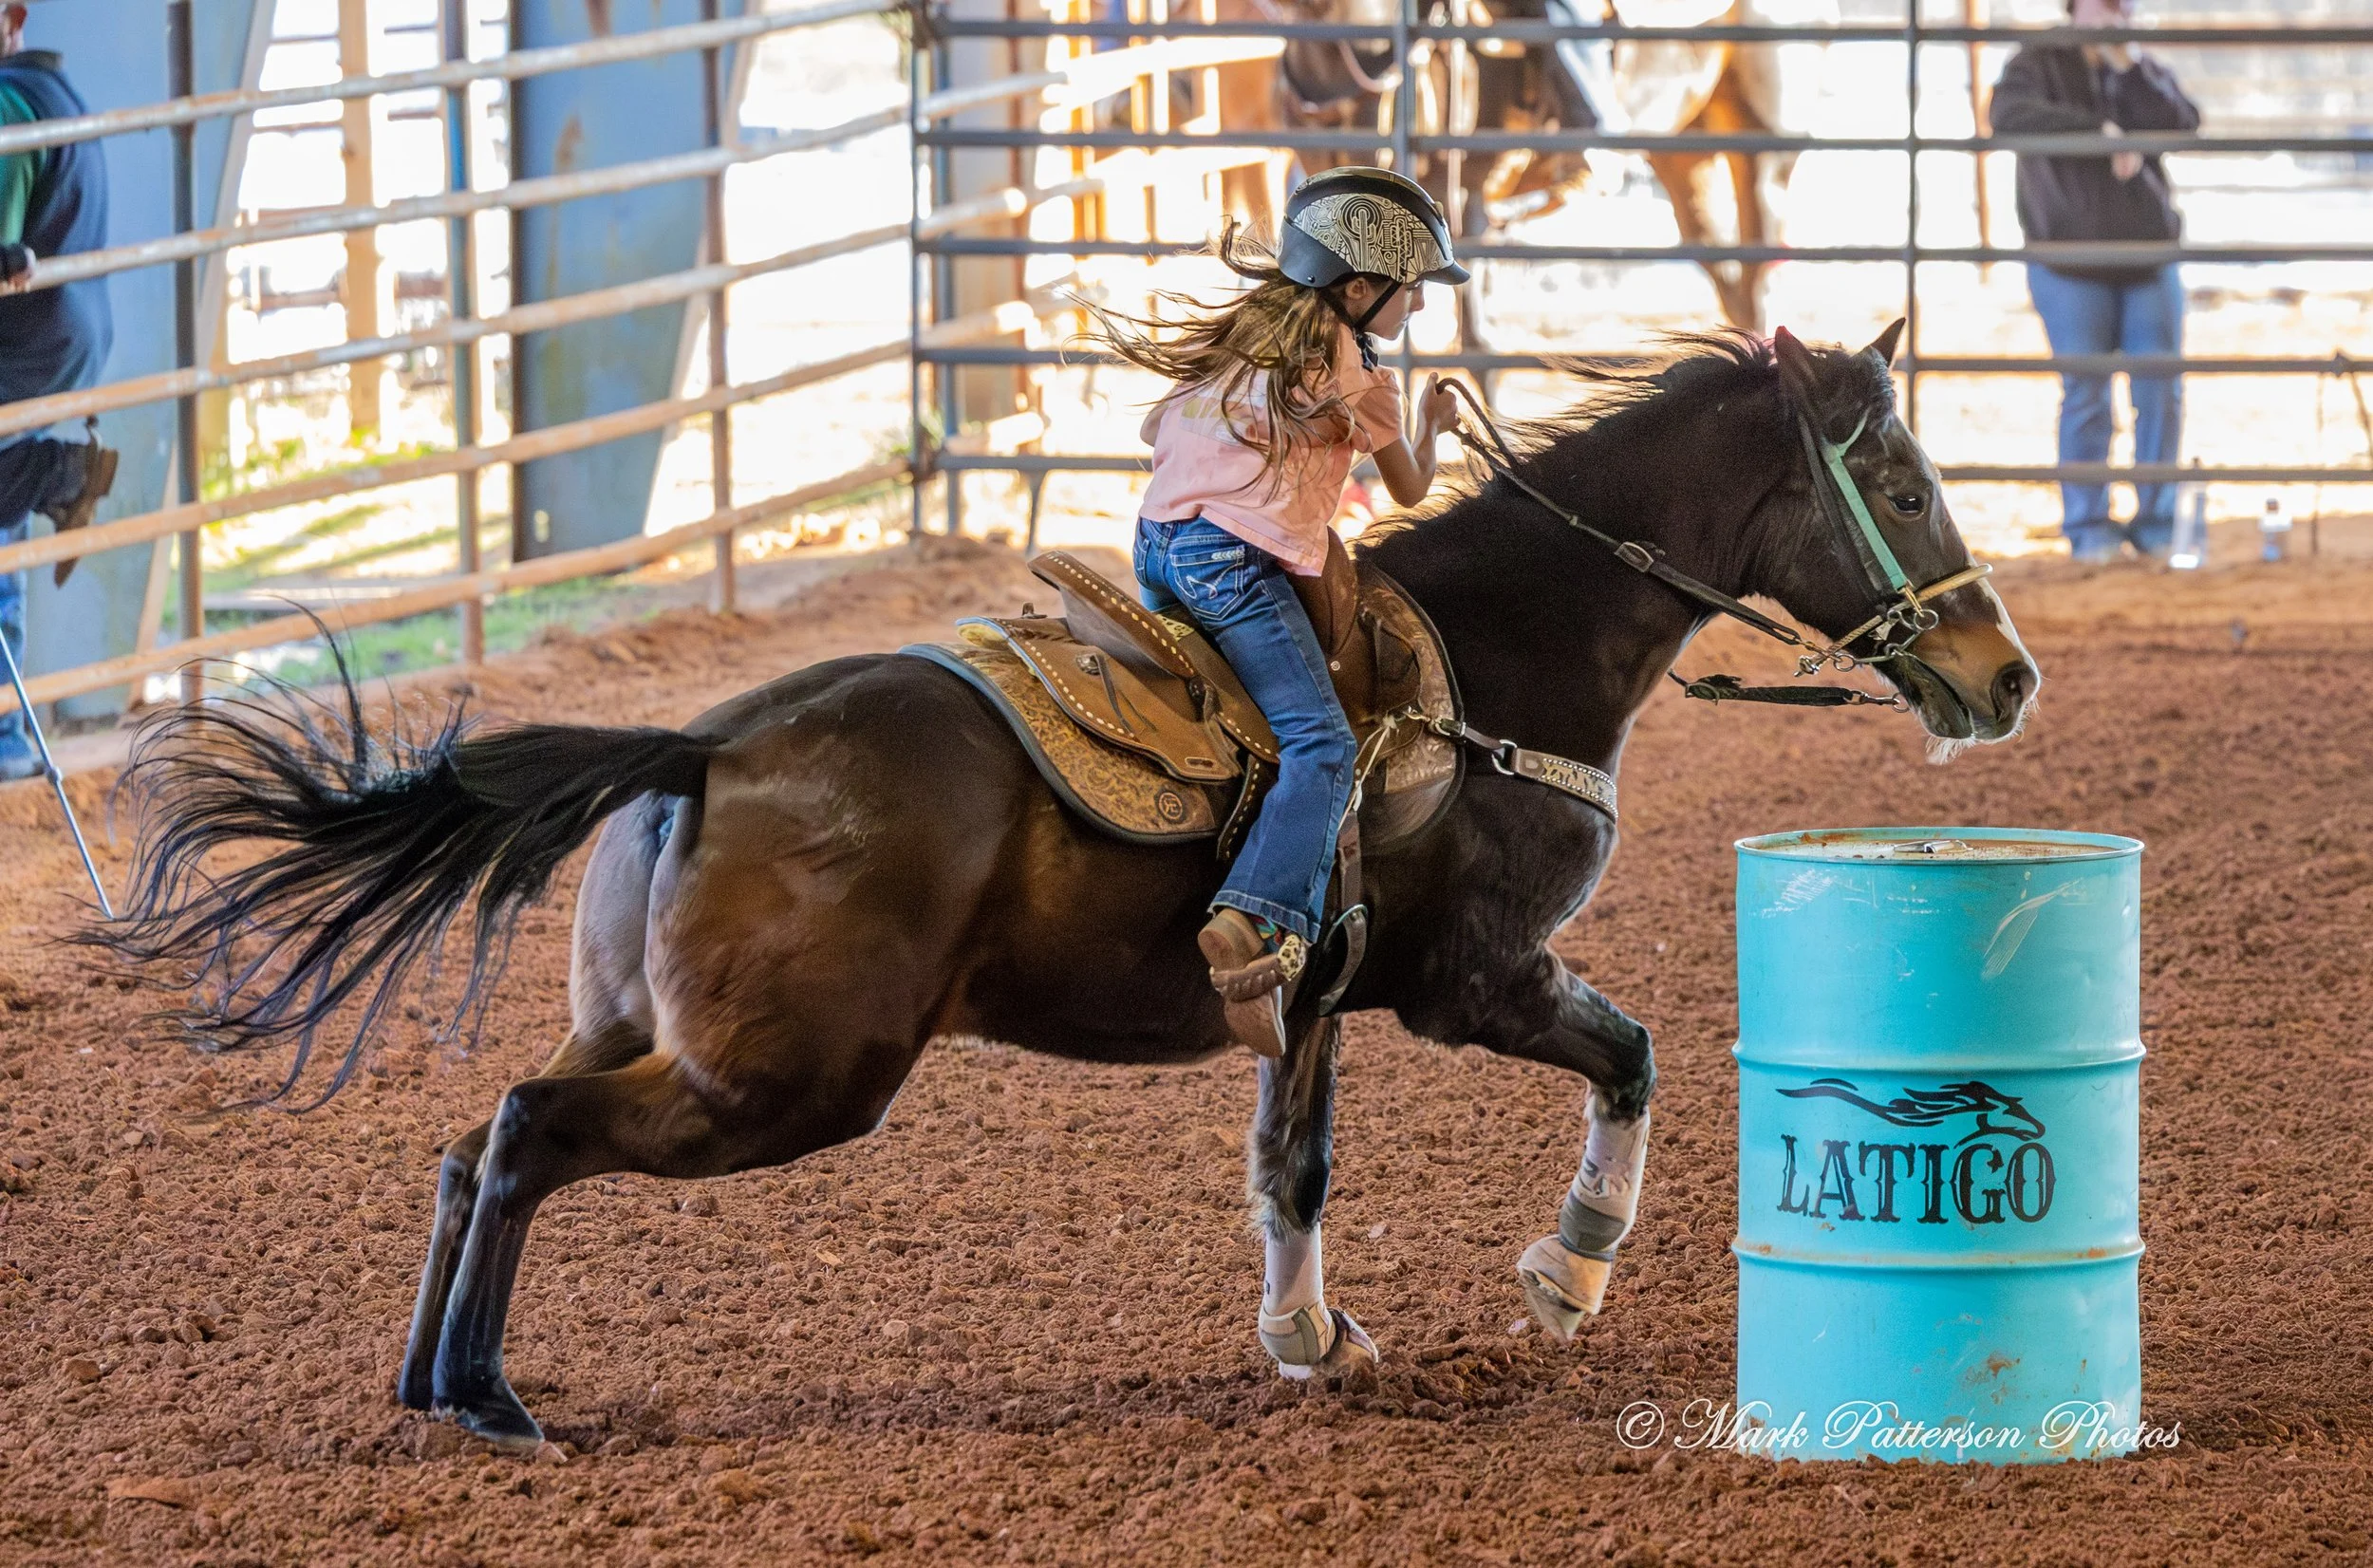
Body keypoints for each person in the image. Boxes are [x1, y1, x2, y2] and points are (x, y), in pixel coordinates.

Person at [1094, 165, 1466, 1059]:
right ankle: (1253, 916)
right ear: (1362, 285)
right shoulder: (1354, 376)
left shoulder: (1247, 334)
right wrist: (1431, 422)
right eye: (1410, 287)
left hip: (1157, 545)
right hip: (1234, 565)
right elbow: (1409, 490)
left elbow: (1157, 429)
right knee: (1323, 744)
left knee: (1215, 694)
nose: (1416, 305)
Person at [1990, 0, 2199, 562]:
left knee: (2160, 391)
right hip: (2069, 262)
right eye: (2104, 4)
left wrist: (2129, 69)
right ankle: (2089, 528)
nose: (2116, 13)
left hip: (2148, 257)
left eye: (2123, 6)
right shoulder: (2037, 63)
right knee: (2087, 395)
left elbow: (2183, 122)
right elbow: (2008, 117)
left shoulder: (2139, 68)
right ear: (2075, 8)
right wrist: (2096, 130)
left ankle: (2156, 525)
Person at [0, 0, 117, 781]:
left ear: (12, 21)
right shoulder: (52, 92)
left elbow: (5, 263)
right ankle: (6, 741)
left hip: (28, 341)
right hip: (62, 337)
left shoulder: (10, 110)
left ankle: (56, 473)